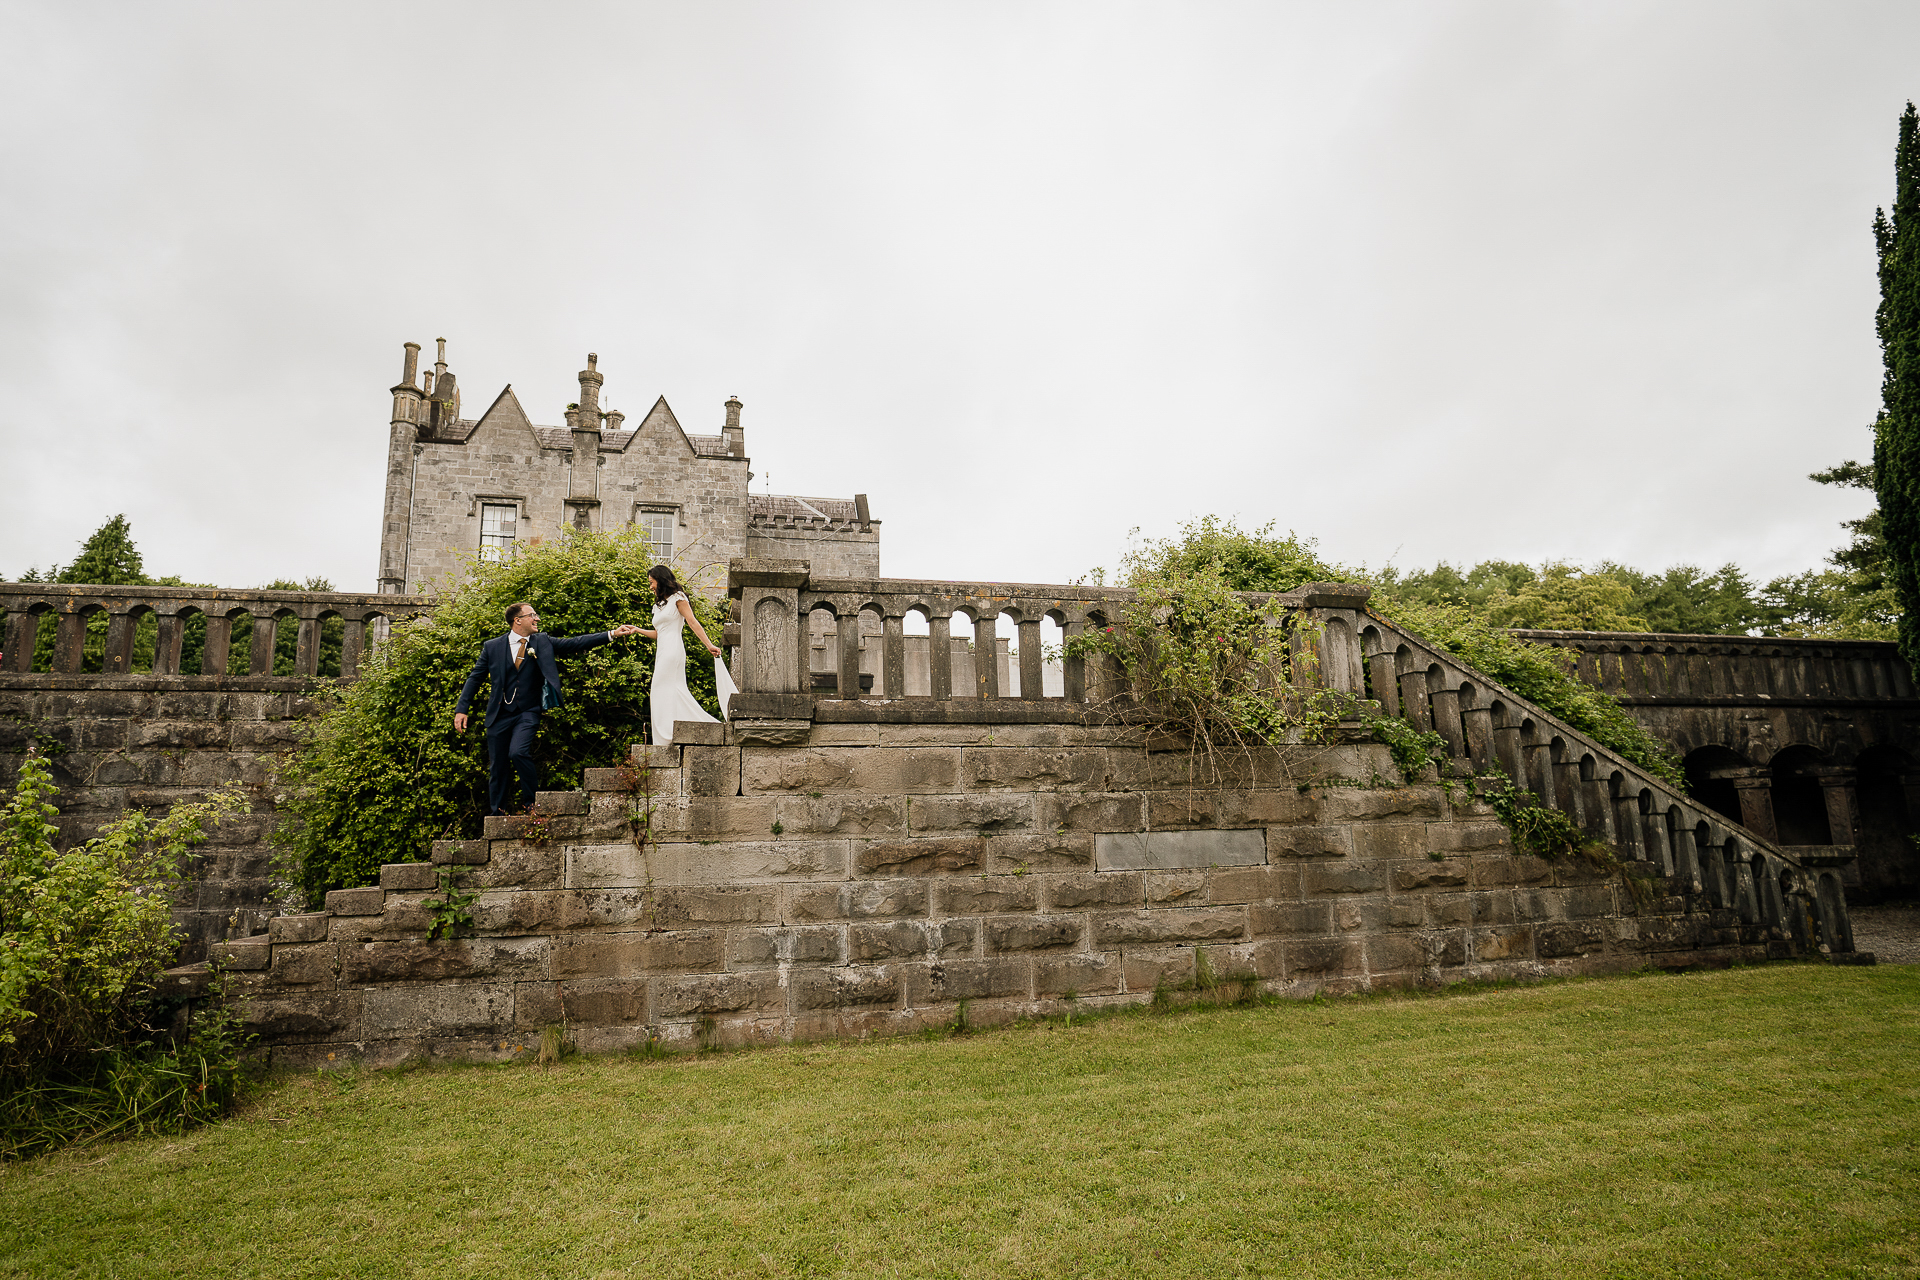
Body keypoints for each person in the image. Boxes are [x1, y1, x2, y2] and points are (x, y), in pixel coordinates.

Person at [453, 602, 641, 815]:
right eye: (532, 615)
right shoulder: (492, 646)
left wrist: (611, 634)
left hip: (527, 711)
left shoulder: (541, 642)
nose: (537, 619)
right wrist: (462, 709)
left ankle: (533, 807)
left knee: (518, 752)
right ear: (518, 620)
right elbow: (475, 677)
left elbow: (575, 643)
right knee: (497, 767)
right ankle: (498, 814)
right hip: (499, 714)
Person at [639, 565, 734, 744]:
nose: (650, 586)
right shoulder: (659, 605)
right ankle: (667, 733)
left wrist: (709, 645)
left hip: (673, 650)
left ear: (660, 580)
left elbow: (692, 622)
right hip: (662, 651)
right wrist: (637, 630)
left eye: (651, 582)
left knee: (665, 688)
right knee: (662, 690)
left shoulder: (678, 598)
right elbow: (658, 633)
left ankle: (671, 734)